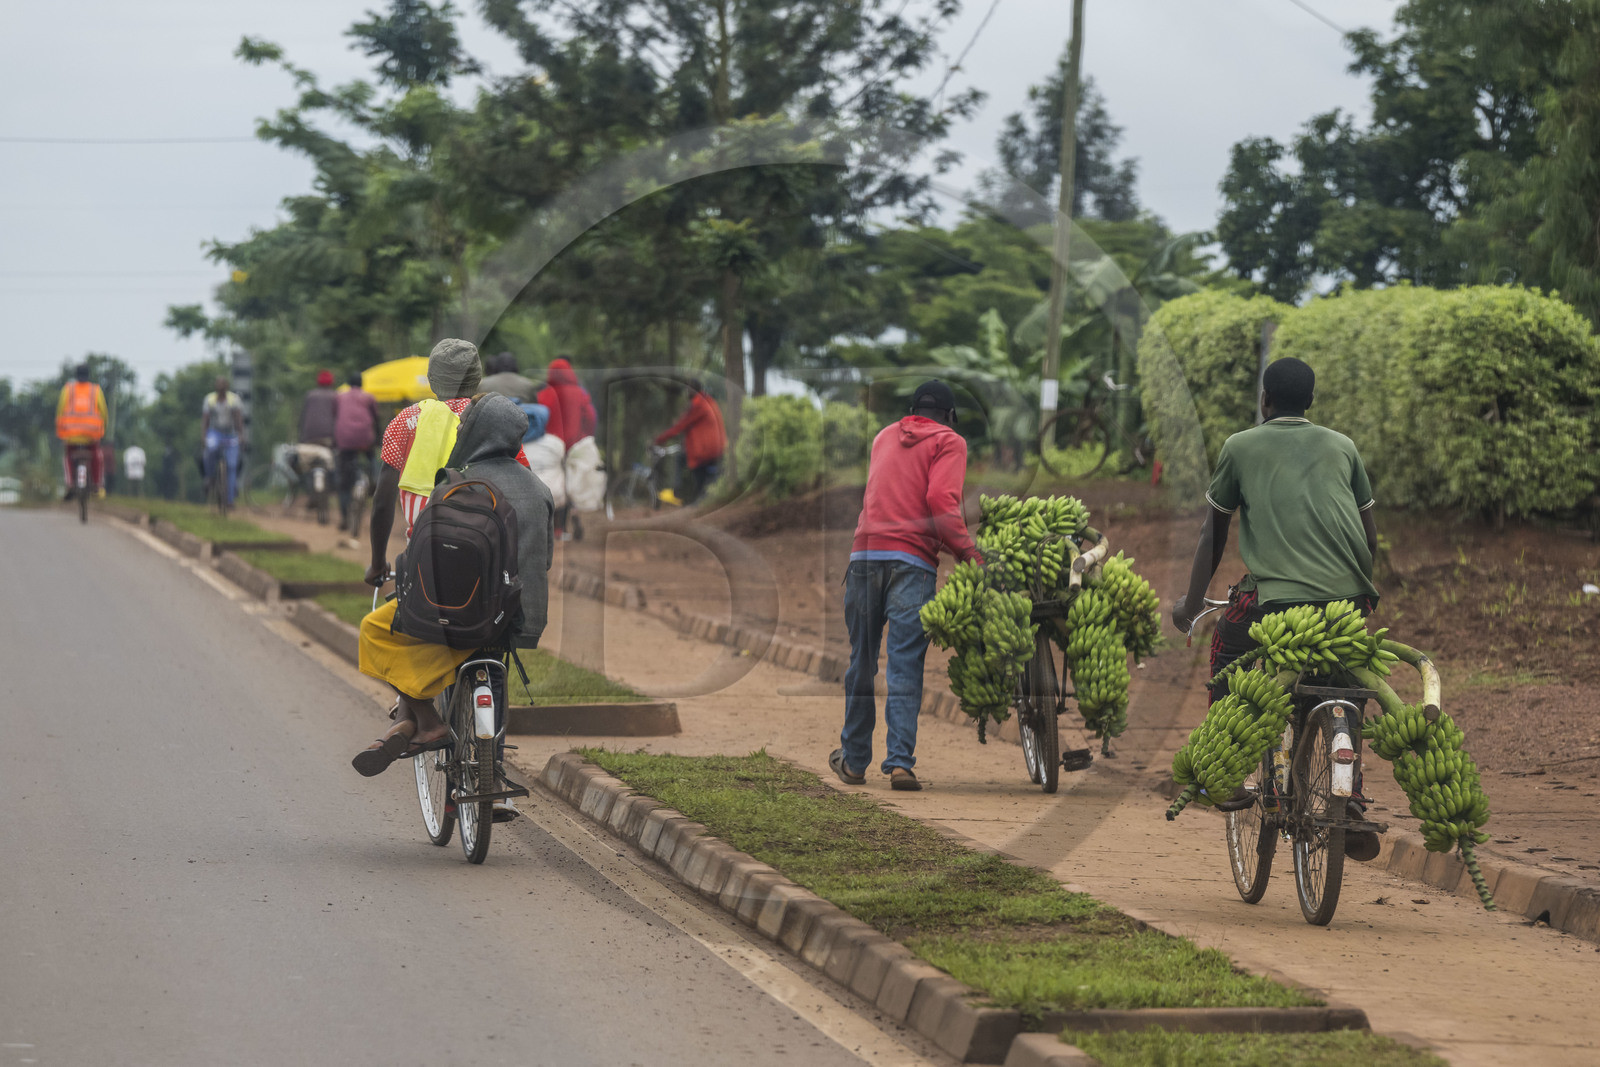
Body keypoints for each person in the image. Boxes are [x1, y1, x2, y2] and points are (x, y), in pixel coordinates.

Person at [1170, 357, 1382, 861]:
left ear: (1265, 401)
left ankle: (1221, 774)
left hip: (1276, 604)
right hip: (1346, 604)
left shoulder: (1240, 446)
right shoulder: (1343, 447)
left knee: (1226, 641)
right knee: (1348, 679)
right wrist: (1358, 593)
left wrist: (1193, 602)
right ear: (1310, 402)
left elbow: (1212, 534)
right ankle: (1347, 789)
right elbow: (1369, 535)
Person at [353, 348, 553, 811]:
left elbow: (384, 496)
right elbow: (519, 490)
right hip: (494, 573)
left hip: (428, 560)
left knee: (406, 626)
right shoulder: (496, 422)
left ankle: (416, 716)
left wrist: (376, 558)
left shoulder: (407, 422)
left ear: (432, 378)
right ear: (479, 376)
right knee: (488, 657)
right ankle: (488, 768)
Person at [832, 381, 981, 792]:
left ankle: (855, 762)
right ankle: (899, 764)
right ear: (950, 416)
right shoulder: (950, 441)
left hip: (863, 557)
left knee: (861, 661)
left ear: (912, 412)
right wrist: (971, 555)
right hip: (911, 563)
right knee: (903, 664)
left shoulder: (883, 436)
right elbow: (940, 503)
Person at [536, 357, 597, 539]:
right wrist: (584, 435)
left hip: (553, 447)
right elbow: (591, 417)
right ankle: (572, 515)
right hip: (573, 445)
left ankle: (554, 527)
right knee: (571, 483)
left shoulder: (546, 394)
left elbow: (540, 418)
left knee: (555, 484)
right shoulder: (580, 393)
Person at [654, 379, 726, 504]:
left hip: (706, 451)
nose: (686, 391)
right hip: (715, 449)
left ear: (694, 389)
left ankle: (676, 492)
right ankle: (699, 503)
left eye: (688, 389)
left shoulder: (699, 404)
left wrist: (660, 439)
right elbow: (693, 426)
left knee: (680, 458)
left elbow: (681, 425)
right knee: (702, 483)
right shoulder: (708, 401)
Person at [332, 369, 381, 533]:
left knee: (344, 482)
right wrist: (378, 439)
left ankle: (345, 516)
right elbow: (376, 418)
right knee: (371, 458)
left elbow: (335, 417)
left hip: (344, 441)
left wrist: (335, 440)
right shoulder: (369, 397)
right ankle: (375, 482)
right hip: (365, 440)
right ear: (362, 383)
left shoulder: (339, 396)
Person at [55, 363, 108, 499]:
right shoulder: (95, 390)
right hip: (91, 434)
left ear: (76, 375)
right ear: (88, 375)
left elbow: (60, 410)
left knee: (67, 456)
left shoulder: (68, 389)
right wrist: (103, 429)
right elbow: (103, 411)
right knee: (97, 456)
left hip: (71, 434)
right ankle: (97, 486)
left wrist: (60, 430)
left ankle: (70, 484)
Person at [200, 376, 245, 507]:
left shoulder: (234, 400)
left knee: (231, 465)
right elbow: (205, 420)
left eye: (223, 384)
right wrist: (203, 436)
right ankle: (209, 477)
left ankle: (230, 499)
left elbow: (238, 419)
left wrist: (241, 435)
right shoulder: (209, 399)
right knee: (210, 450)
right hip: (215, 433)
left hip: (230, 434)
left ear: (227, 386)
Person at [299, 369, 338, 446]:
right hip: (329, 437)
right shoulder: (335, 396)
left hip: (309, 437)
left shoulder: (310, 395)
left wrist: (301, 439)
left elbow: (303, 418)